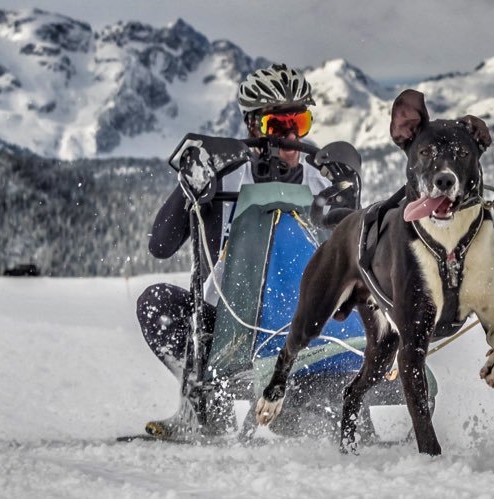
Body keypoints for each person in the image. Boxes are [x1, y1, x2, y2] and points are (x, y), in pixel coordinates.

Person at [136, 63, 359, 439]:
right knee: (156, 303)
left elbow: (353, 259)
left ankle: (327, 408)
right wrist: (188, 188)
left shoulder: (321, 180)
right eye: (278, 126)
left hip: (305, 320)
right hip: (228, 320)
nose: (290, 138)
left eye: (299, 122)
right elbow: (160, 246)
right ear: (253, 126)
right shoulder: (226, 176)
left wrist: (349, 196)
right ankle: (206, 406)